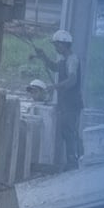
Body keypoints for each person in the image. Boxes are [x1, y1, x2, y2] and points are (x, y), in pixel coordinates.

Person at [33, 29, 84, 171]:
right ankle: (75, 159)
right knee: (67, 131)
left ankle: (74, 162)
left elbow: (72, 80)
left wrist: (54, 86)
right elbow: (55, 67)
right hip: (65, 102)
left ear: (64, 45)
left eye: (57, 45)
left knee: (69, 131)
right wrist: (43, 56)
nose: (55, 48)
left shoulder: (72, 59)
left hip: (72, 103)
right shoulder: (63, 60)